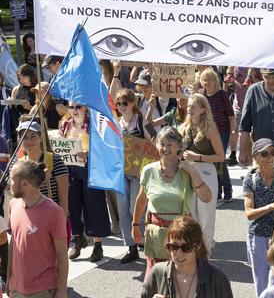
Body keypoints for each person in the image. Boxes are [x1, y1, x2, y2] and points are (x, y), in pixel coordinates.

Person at [132, 126, 212, 276]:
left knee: (181, 277)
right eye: (162, 144)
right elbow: (142, 199)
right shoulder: (149, 170)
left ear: (179, 146)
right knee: (157, 278)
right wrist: (135, 225)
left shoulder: (188, 170)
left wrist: (192, 172)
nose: (165, 148)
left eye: (169, 144)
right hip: (156, 233)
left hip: (182, 234)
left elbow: (206, 197)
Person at [7, 160, 68, 298]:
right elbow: (13, 244)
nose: (9, 183)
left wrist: (62, 290)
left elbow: (62, 253)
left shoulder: (54, 212)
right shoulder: (13, 204)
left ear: (24, 184)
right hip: (17, 289)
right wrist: (9, 278)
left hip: (43, 290)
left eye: (12, 180)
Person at [243, 138, 274, 297]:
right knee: (261, 281)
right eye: (265, 153)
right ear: (256, 157)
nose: (270, 157)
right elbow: (249, 213)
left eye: (273, 152)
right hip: (257, 236)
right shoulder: (250, 178)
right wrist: (270, 207)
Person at [60, 102, 110, 263]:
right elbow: (61, 145)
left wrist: (87, 153)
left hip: (91, 168)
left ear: (86, 108)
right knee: (72, 205)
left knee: (94, 205)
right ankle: (78, 238)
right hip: (71, 169)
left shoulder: (94, 123)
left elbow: (103, 147)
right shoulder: (65, 124)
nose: (74, 110)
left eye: (78, 107)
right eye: (71, 107)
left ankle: (97, 244)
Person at [141, 216, 234, 298]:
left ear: (197, 246)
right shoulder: (157, 273)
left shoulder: (216, 278)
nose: (179, 253)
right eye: (173, 247)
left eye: (186, 248)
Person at [179, 93, 225, 252]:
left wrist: (197, 157)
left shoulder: (210, 129)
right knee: (190, 213)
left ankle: (206, 251)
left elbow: (221, 157)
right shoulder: (183, 127)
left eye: (193, 106)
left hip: (206, 173)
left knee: (206, 215)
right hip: (187, 173)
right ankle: (194, 250)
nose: (189, 109)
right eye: (189, 106)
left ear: (203, 110)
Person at [114, 89, 148, 264]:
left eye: (124, 103)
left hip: (138, 173)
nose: (121, 107)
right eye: (118, 103)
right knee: (122, 210)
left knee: (136, 209)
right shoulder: (117, 122)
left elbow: (154, 141)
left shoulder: (142, 120)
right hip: (122, 172)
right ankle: (131, 247)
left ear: (133, 103)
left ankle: (141, 238)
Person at [200, 67, 235, 203]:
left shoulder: (221, 95)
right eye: (204, 80)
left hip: (222, 131)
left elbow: (231, 115)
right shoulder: (202, 95)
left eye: (209, 80)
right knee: (213, 162)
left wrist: (233, 132)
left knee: (220, 160)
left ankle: (227, 190)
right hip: (207, 132)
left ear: (215, 81)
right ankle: (218, 191)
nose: (206, 83)